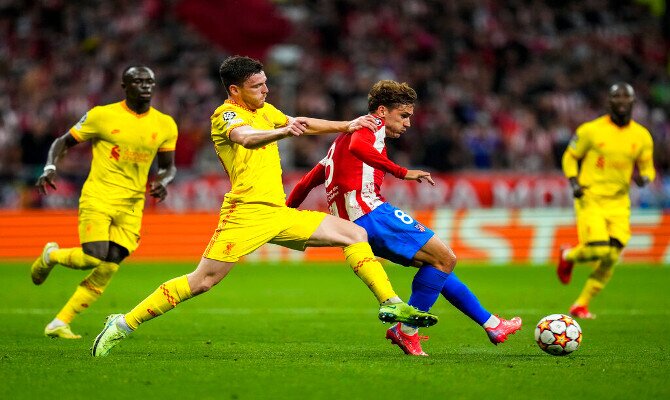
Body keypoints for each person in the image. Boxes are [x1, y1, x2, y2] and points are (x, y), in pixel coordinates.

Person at [91, 56, 437, 357]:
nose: (266, 90)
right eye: (257, 86)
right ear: (235, 90)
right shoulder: (225, 115)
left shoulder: (265, 110)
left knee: (354, 232)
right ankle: (123, 323)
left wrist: (346, 125)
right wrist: (284, 133)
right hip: (245, 213)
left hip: (276, 212)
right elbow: (247, 138)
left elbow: (300, 121)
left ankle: (390, 302)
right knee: (202, 282)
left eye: (266, 83)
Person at [287, 80, 522, 356]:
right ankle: (407, 331)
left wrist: (283, 213)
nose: (408, 123)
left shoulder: (334, 146)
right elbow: (358, 149)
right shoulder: (370, 126)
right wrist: (401, 171)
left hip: (353, 226)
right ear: (383, 111)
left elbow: (305, 183)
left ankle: (492, 324)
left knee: (438, 265)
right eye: (404, 115)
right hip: (372, 214)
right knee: (445, 258)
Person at [31, 66, 178, 339]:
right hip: (99, 195)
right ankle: (51, 255)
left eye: (150, 82)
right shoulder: (102, 115)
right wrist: (50, 167)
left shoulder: (165, 124)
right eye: (138, 81)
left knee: (109, 266)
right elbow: (62, 142)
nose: (145, 86)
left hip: (133, 204)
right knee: (93, 256)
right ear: (124, 86)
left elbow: (168, 167)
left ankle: (59, 322)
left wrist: (163, 181)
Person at [557, 82, 656, 319]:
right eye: (616, 96)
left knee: (612, 256)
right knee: (599, 249)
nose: (621, 100)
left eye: (626, 96)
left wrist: (645, 178)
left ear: (633, 102)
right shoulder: (591, 130)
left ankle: (580, 304)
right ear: (609, 102)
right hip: (591, 196)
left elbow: (648, 168)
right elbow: (570, 156)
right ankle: (568, 255)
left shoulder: (641, 136)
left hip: (620, 202)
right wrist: (574, 182)